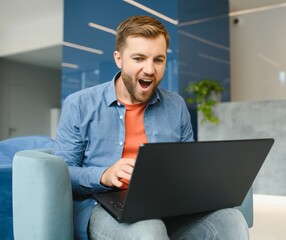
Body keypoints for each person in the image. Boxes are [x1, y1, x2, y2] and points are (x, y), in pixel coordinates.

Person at [54, 15, 249, 240]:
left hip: (167, 204)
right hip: (104, 205)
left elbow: (188, 165)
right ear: (119, 59)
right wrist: (104, 175)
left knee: (231, 220)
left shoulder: (176, 105)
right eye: (139, 58)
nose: (149, 69)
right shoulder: (79, 104)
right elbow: (62, 173)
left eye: (158, 60)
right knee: (148, 229)